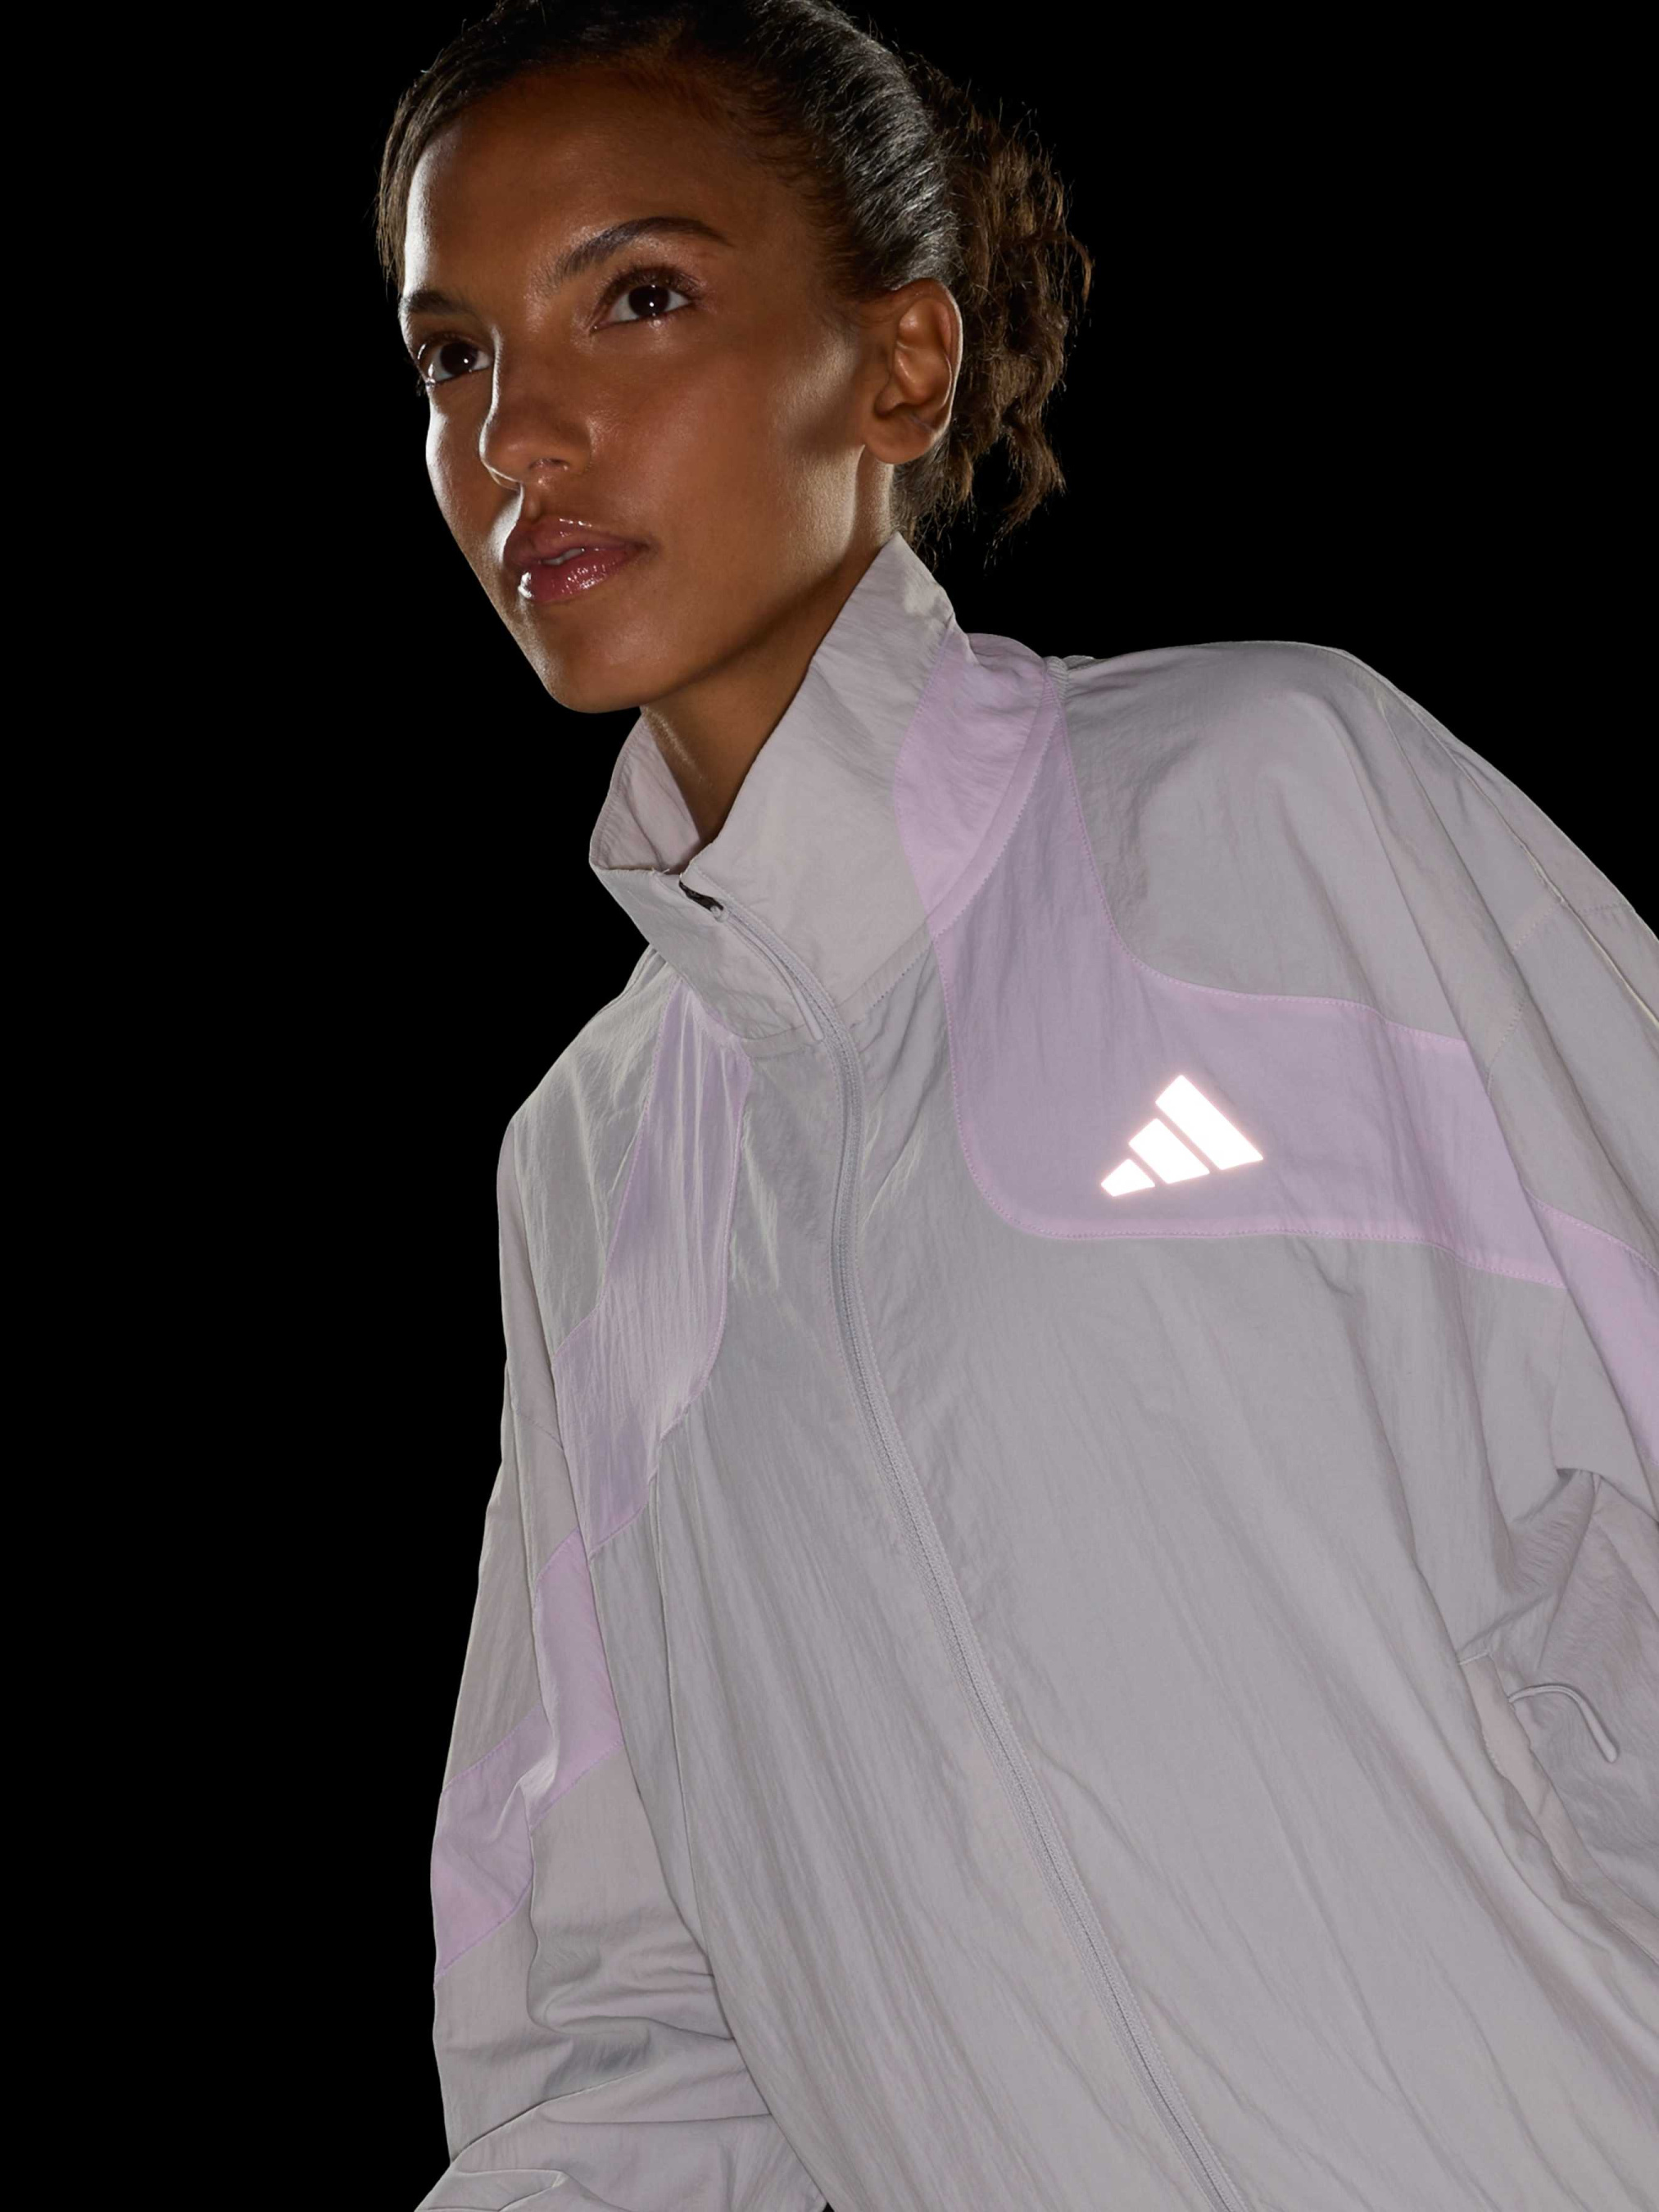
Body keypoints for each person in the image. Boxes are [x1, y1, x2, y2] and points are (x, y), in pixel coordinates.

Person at [377, 4, 1659, 2206]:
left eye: (639, 298)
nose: (521, 432)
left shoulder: (1268, 807)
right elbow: (625, 2022)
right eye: (452, 356)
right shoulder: (589, 1169)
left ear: (900, 364)